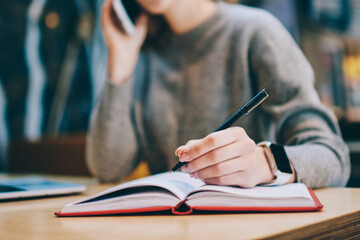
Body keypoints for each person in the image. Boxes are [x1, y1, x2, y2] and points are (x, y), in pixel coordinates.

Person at [86, 0, 350, 188]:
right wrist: (120, 63)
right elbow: (108, 166)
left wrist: (265, 163)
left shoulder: (256, 32)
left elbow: (333, 156)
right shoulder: (139, 52)